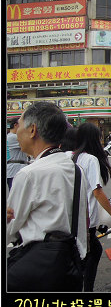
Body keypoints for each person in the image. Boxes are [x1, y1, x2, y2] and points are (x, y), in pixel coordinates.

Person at [7, 101, 88, 291]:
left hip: (36, 271)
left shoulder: (29, 174)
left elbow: (9, 231)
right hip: (70, 267)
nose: (16, 131)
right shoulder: (75, 169)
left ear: (33, 129)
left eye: (19, 124)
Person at [63, 123, 111, 292]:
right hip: (85, 219)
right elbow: (97, 192)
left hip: (69, 218)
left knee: (87, 253)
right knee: (90, 253)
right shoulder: (90, 159)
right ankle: (86, 291)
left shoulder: (67, 156)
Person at [7, 117, 29, 190]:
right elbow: (29, 143)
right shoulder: (13, 137)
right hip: (15, 169)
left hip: (16, 169)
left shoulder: (11, 136)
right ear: (16, 125)